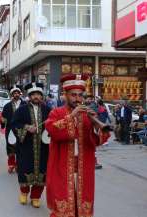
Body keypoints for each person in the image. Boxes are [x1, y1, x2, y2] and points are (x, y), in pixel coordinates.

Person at [45, 74, 110, 217]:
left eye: (80, 95)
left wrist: (94, 125)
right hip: (61, 166)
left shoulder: (88, 114)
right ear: (65, 95)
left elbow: (98, 141)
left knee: (81, 206)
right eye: (73, 95)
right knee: (63, 206)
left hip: (83, 167)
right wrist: (72, 116)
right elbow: (52, 130)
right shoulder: (56, 112)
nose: (78, 99)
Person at [12, 82, 50, 208]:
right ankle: (24, 193)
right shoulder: (21, 110)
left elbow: (53, 125)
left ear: (42, 96)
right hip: (26, 147)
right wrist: (26, 127)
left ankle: (36, 197)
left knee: (42, 172)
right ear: (29, 96)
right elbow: (14, 124)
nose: (36, 97)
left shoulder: (48, 110)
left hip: (43, 147)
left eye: (38, 94)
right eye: (33, 94)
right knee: (25, 170)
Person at [1, 85, 26, 173]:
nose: (16, 94)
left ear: (20, 94)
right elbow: (3, 117)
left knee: (21, 148)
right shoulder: (7, 106)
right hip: (10, 129)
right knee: (11, 148)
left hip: (22, 130)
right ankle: (11, 165)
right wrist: (3, 123)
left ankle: (19, 165)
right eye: (14, 93)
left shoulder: (25, 105)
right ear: (12, 94)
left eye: (17, 93)